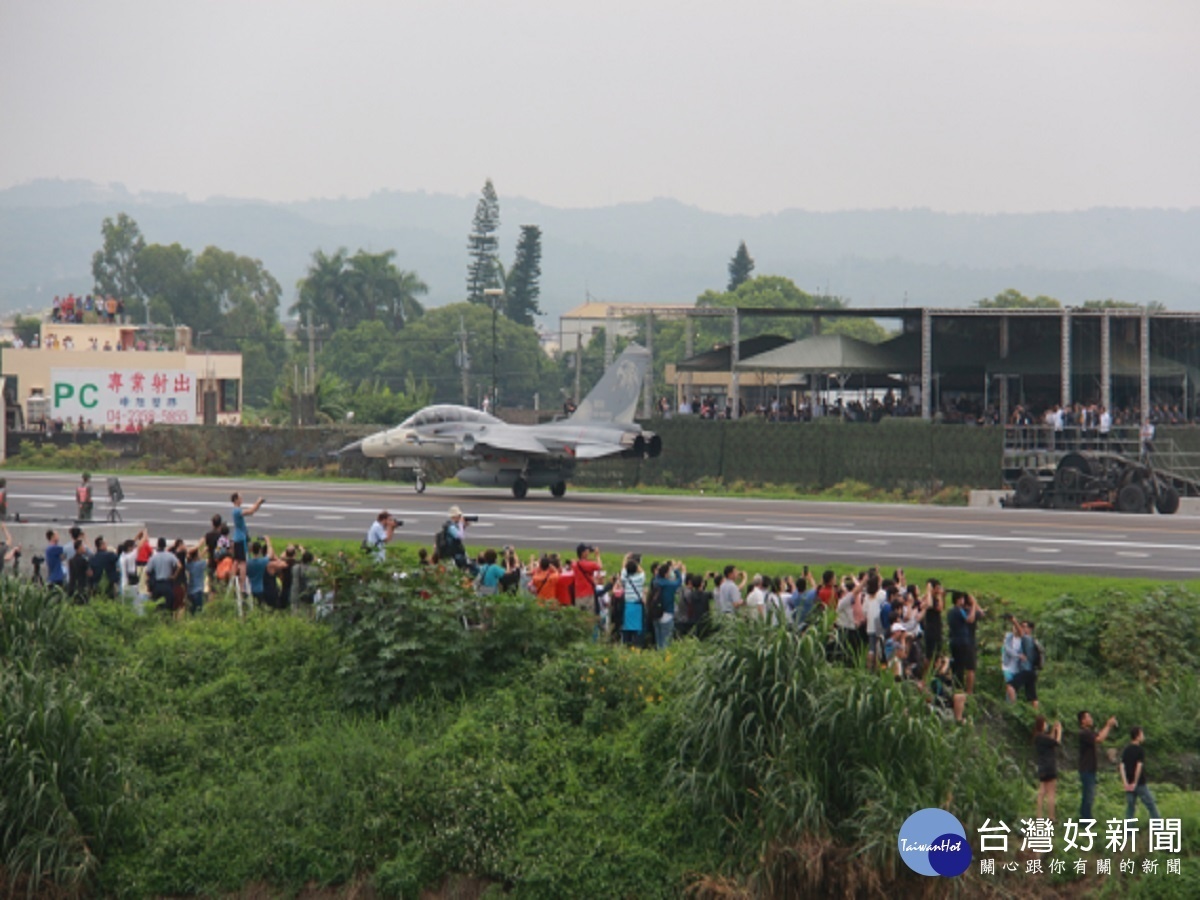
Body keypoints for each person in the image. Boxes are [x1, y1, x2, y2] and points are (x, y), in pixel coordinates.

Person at [1078, 710, 1119, 821]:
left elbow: (1100, 735)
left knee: (1088, 794)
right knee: (1088, 795)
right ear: (1083, 720)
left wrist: (1107, 726)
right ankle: (1086, 820)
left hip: (1089, 768)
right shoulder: (1084, 733)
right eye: (1088, 717)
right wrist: (1108, 725)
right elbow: (1100, 739)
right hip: (1086, 769)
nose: (1091, 718)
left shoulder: (1088, 732)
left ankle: (1084, 817)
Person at [1121, 727, 1163, 821]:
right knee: (1151, 805)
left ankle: (1129, 832)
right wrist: (1135, 782)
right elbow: (1138, 767)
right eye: (1142, 734)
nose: (1143, 736)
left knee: (1130, 809)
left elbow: (1122, 766)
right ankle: (1158, 830)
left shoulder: (1126, 750)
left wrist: (1125, 783)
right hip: (1140, 783)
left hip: (1128, 784)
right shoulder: (1140, 750)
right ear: (1137, 736)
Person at [231, 493, 265, 591]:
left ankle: (232, 580)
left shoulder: (235, 511)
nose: (242, 499)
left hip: (237, 537)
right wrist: (258, 502)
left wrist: (257, 506)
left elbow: (252, 511)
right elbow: (250, 511)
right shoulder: (237, 511)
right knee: (243, 563)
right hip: (241, 538)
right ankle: (242, 585)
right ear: (236, 500)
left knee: (236, 560)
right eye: (240, 498)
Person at [1033, 716, 1063, 821]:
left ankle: (1039, 816)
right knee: (1051, 792)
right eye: (1045, 723)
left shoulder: (1038, 737)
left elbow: (1049, 740)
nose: (1046, 725)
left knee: (1041, 792)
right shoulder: (1042, 737)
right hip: (1050, 766)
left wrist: (1053, 730)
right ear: (1041, 725)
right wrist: (1059, 731)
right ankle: (1051, 816)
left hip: (1042, 767)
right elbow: (1056, 742)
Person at [650, 560, 684, 650]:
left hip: (655, 613)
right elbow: (679, 582)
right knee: (666, 641)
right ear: (666, 574)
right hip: (667, 614)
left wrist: (665, 567)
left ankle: (657, 659)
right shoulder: (669, 585)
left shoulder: (655, 582)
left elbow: (658, 575)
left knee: (658, 640)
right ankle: (664, 660)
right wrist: (677, 570)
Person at [146, 537, 181, 612]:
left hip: (157, 584)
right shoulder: (170, 555)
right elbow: (179, 566)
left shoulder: (153, 558)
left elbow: (148, 571)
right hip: (167, 583)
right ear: (165, 545)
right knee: (168, 607)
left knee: (157, 607)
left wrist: (150, 582)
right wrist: (174, 576)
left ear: (157, 545)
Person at [619, 553, 646, 647]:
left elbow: (623, 570)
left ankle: (626, 645)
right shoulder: (640, 578)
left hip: (628, 606)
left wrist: (625, 559)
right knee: (637, 629)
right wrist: (635, 562)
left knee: (627, 629)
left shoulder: (625, 579)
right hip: (637, 606)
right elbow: (642, 572)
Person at [573, 544, 602, 615]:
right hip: (588, 595)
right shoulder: (587, 564)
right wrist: (597, 555)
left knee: (580, 617)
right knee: (589, 616)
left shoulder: (575, 564)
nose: (588, 552)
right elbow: (599, 566)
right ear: (583, 553)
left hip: (578, 595)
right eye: (587, 551)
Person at [185, 547, 207, 614]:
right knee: (199, 612)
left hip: (190, 592)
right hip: (198, 591)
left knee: (191, 613)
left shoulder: (188, 565)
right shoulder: (201, 564)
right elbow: (211, 560)